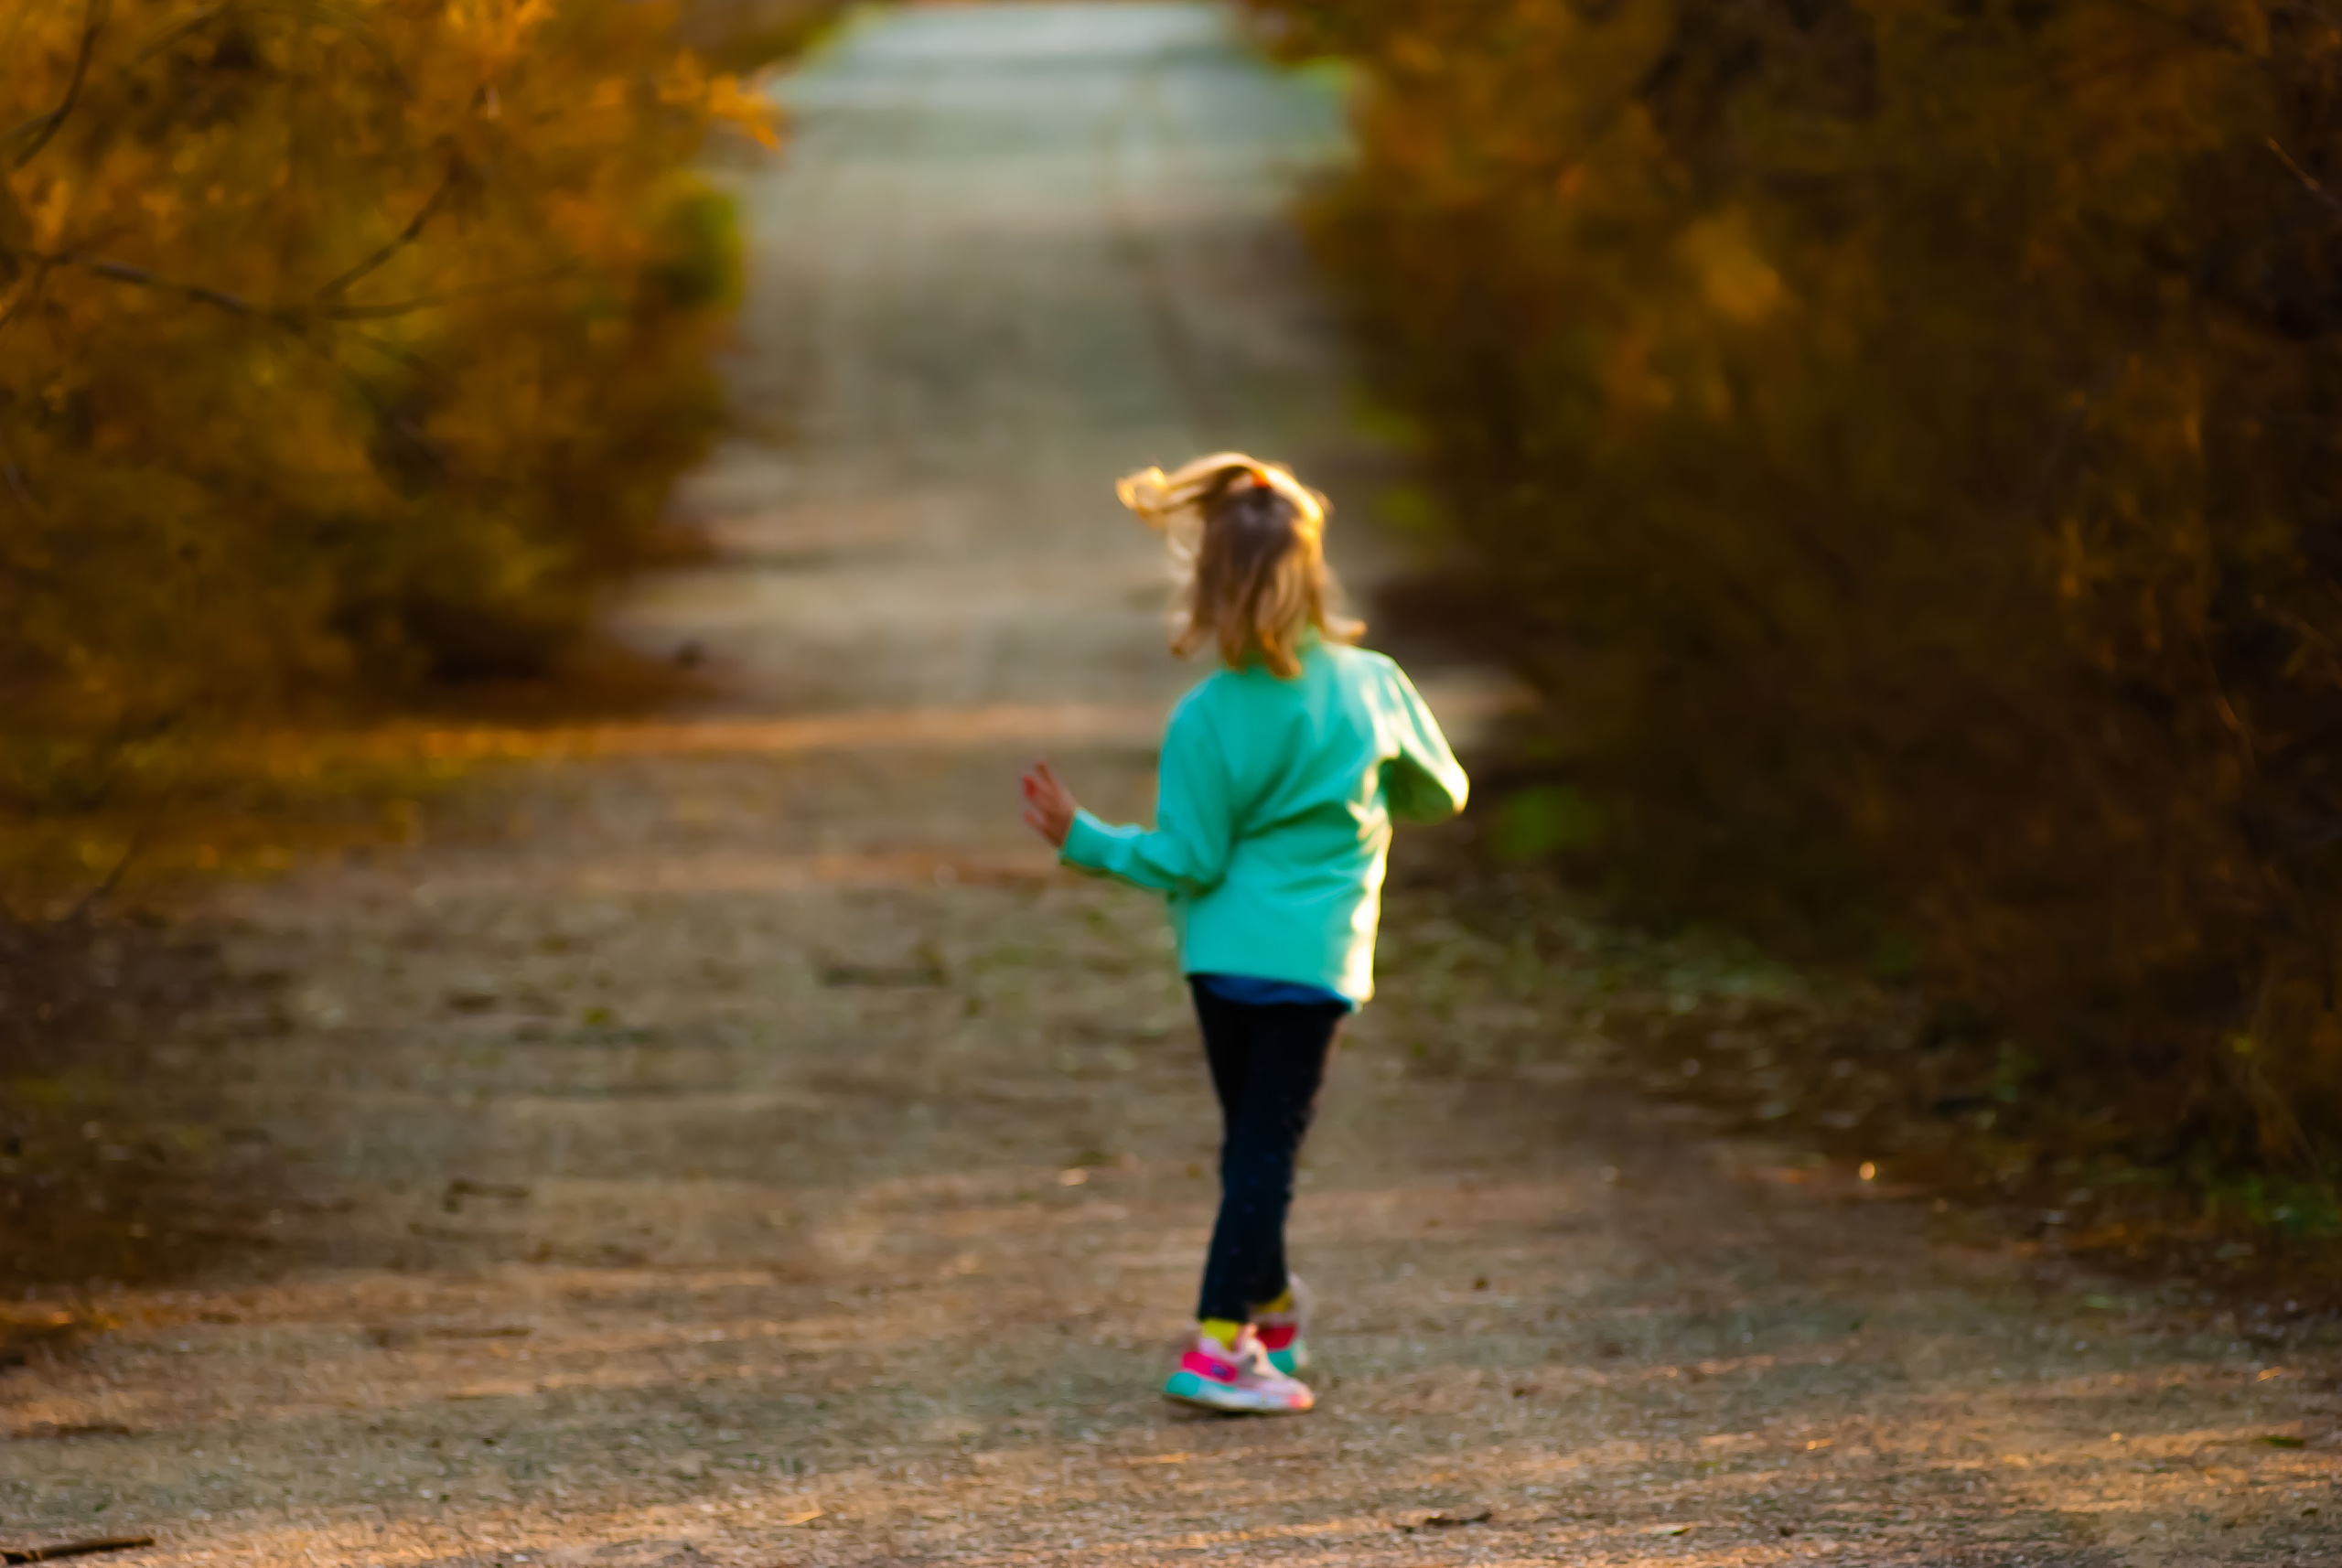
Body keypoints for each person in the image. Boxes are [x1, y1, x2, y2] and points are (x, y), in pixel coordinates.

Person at [1018, 453, 1468, 1415]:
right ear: (1313, 573)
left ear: (1207, 586)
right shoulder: (1374, 687)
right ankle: (1221, 1346)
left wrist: (1083, 837)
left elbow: (1189, 859)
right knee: (1263, 1153)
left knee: (1252, 1150)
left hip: (1220, 959)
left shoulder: (1206, 718)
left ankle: (1265, 1306)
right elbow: (1444, 790)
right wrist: (1370, 794)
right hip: (1315, 962)